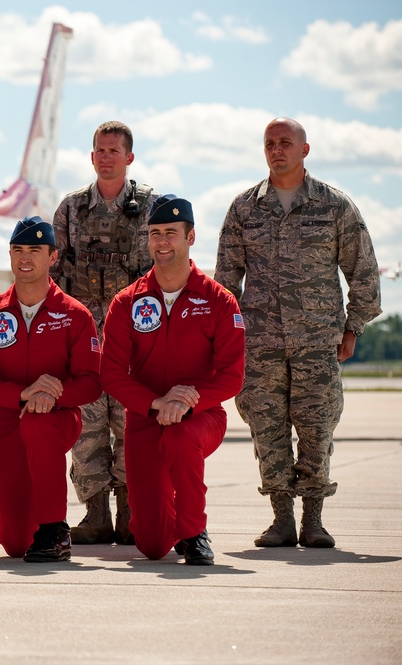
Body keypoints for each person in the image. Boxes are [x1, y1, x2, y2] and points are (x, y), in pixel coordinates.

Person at [215, 118, 381, 548]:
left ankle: (314, 520)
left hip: (316, 343)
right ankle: (281, 520)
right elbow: (225, 283)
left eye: (285, 142)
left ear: (305, 150)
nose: (276, 150)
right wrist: (226, 339)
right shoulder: (243, 209)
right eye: (269, 143)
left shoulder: (334, 206)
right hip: (261, 344)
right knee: (267, 432)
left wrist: (353, 328)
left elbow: (362, 272)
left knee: (316, 430)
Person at [101, 196, 245, 564]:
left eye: (171, 233)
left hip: (202, 416)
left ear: (190, 237)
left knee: (181, 438)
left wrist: (187, 399)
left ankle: (195, 531)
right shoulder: (126, 302)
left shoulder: (219, 301)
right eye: (154, 234)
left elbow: (232, 378)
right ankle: (177, 521)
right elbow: (112, 375)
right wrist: (158, 403)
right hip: (145, 419)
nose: (162, 242)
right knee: (150, 545)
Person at [0, 217, 101, 562]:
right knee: (14, 543)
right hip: (9, 421)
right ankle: (37, 532)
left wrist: (51, 395)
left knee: (38, 424)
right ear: (10, 255)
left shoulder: (75, 315)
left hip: (59, 417)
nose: (25, 258)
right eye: (18, 250)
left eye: (35, 250)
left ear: (52, 257)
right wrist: (25, 394)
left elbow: (91, 382)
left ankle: (55, 530)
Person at [49, 120, 157, 546]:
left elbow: (163, 268)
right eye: (100, 150)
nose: (106, 157)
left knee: (130, 424)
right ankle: (95, 514)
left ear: (129, 157)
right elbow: (53, 275)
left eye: (114, 150)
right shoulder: (71, 209)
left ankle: (131, 513)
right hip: (84, 339)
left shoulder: (150, 207)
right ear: (91, 156)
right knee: (89, 427)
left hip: (136, 337)